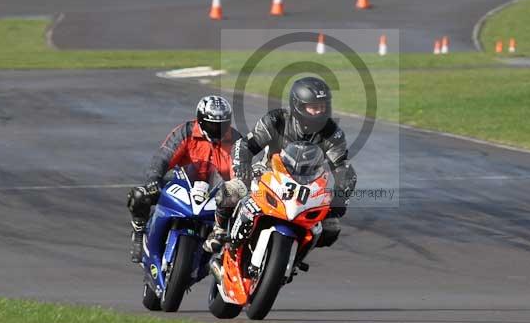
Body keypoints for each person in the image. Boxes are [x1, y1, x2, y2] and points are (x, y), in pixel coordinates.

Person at [204, 76, 357, 253]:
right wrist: (242, 166)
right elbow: (244, 145)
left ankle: (294, 257)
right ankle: (219, 231)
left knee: (331, 227)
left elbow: (343, 168)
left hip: (308, 185)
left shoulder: (332, 133)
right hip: (267, 174)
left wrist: (341, 195)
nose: (319, 113)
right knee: (231, 191)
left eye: (322, 107)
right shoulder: (277, 120)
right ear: (298, 106)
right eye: (314, 107)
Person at [126, 95, 241, 263]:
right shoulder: (186, 131)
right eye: (212, 125)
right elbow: (163, 157)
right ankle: (139, 231)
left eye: (222, 125)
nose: (217, 130)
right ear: (201, 121)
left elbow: (240, 172)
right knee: (140, 195)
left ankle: (224, 258)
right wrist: (154, 178)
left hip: (215, 191)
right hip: (181, 181)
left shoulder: (236, 140)